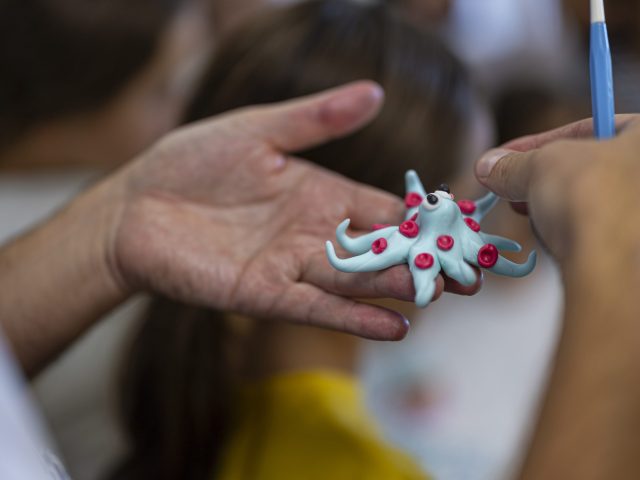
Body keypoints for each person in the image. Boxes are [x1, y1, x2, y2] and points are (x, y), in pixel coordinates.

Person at [112, 1, 483, 479]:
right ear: (383, 232)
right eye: (465, 207)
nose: (472, 236)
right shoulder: (355, 466)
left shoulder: (205, 398)